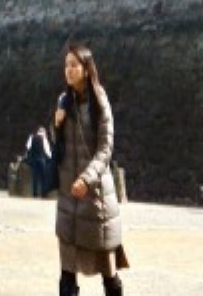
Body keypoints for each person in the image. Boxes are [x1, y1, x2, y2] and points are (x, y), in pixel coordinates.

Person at [51, 43, 128, 296]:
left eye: (74, 65)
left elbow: (106, 148)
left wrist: (87, 178)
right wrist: (57, 125)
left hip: (95, 200)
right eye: (66, 65)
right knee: (67, 273)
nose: (69, 70)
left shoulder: (99, 100)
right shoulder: (65, 101)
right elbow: (59, 148)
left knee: (108, 271)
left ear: (86, 69)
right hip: (68, 199)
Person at [25, 125, 55, 198]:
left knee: (35, 177)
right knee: (44, 177)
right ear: (43, 132)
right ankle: (43, 193)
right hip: (42, 159)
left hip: (34, 159)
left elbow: (28, 147)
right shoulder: (44, 138)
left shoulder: (32, 137)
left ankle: (35, 193)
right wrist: (51, 158)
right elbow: (47, 150)